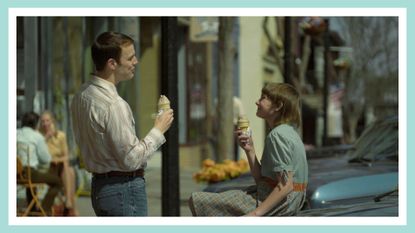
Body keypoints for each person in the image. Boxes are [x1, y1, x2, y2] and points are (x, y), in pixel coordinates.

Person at [71, 31, 174, 216]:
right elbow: (131, 159)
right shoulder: (114, 105)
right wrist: (159, 129)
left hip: (101, 188)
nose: (136, 61)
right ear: (112, 64)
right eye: (130, 57)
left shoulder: (81, 95)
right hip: (123, 189)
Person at [189, 82, 308, 216]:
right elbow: (262, 181)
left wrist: (254, 214)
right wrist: (249, 150)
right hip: (281, 200)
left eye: (263, 98)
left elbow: (286, 185)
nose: (257, 102)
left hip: (279, 203)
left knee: (198, 200)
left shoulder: (277, 135)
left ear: (278, 106)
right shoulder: (289, 132)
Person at [17, 111, 63, 216]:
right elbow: (46, 159)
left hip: (15, 173)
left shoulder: (15, 133)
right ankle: (43, 210)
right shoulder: (36, 136)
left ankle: (32, 209)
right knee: (57, 182)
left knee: (31, 184)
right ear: (36, 123)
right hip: (29, 172)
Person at [39, 110, 78, 216]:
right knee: (69, 171)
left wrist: (58, 160)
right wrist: (46, 138)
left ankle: (69, 202)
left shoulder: (61, 135)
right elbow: (39, 156)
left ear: (52, 122)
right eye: (43, 121)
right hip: (47, 168)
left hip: (59, 167)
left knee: (69, 170)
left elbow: (66, 155)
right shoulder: (39, 137)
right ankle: (70, 205)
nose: (45, 123)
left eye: (47, 120)